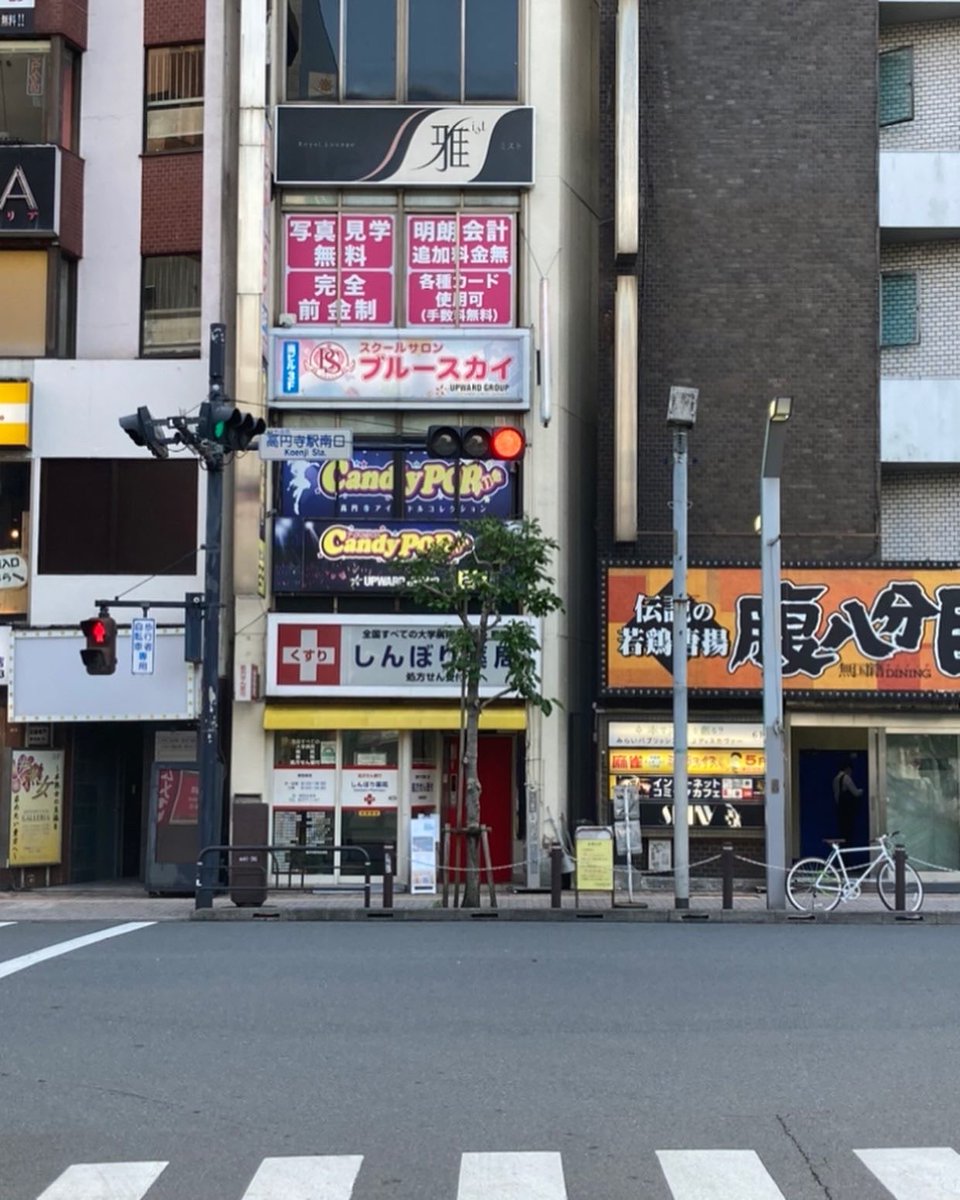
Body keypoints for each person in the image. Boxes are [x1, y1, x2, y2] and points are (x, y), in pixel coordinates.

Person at [833, 760, 864, 847]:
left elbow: (836, 796)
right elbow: (855, 793)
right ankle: (847, 856)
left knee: (842, 833)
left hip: (840, 809)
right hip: (847, 811)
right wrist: (862, 791)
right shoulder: (846, 778)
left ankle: (842, 855)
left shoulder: (836, 779)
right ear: (848, 769)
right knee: (848, 834)